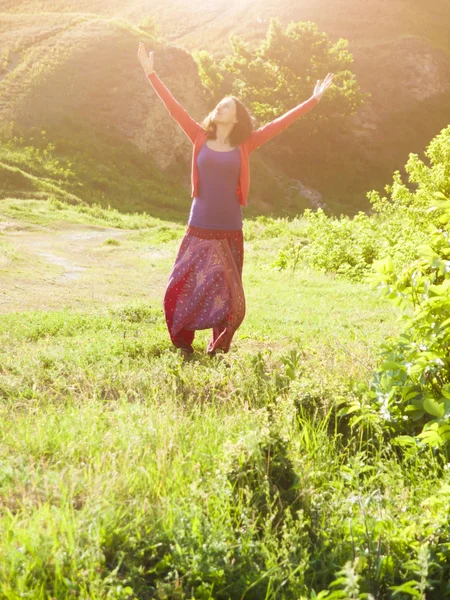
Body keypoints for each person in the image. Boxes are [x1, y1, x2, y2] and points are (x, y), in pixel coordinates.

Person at [137, 42, 334, 359]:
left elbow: (279, 124)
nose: (219, 108)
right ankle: (183, 343)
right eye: (219, 104)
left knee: (227, 295)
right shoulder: (199, 136)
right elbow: (173, 108)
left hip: (230, 228)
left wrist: (312, 101)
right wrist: (151, 73)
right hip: (198, 225)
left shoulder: (246, 143)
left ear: (237, 118)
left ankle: (217, 349)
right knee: (178, 287)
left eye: (226, 106)